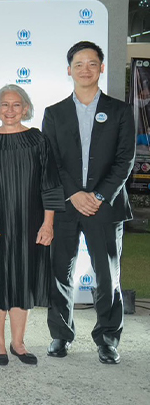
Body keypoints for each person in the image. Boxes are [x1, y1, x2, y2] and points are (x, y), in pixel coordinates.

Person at [42, 41, 136, 365]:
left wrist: (97, 196)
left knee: (107, 277)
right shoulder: (54, 113)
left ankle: (108, 339)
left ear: (101, 68)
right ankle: (60, 335)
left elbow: (125, 160)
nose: (85, 69)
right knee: (59, 273)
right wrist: (74, 193)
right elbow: (50, 161)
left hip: (105, 207)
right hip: (66, 206)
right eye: (79, 64)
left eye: (92, 63)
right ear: (69, 70)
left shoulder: (120, 111)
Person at [0, 84, 65, 366]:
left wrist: (48, 224)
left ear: (26, 108)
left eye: (16, 104)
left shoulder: (38, 141)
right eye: (4, 104)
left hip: (30, 225)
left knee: (24, 281)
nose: (10, 110)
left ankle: (18, 343)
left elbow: (50, 185)